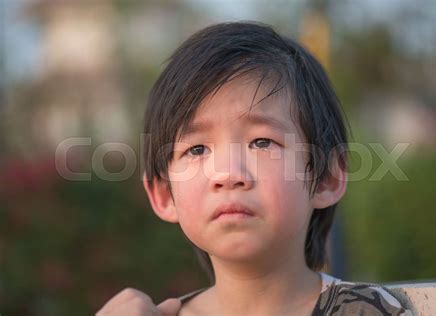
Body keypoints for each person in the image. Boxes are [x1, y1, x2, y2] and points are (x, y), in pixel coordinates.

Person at [96, 22, 412, 316]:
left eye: (261, 142)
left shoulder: (366, 311)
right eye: (197, 149)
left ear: (325, 179)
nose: (229, 174)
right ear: (165, 195)